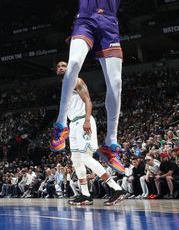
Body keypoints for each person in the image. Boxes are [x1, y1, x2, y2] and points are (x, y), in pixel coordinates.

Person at [51, 0, 127, 175]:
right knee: (72, 66)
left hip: (109, 25)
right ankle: (60, 124)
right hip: (84, 21)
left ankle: (111, 142)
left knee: (116, 84)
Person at [54, 60, 127, 207]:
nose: (61, 68)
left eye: (64, 66)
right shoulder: (65, 86)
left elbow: (88, 101)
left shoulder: (76, 80)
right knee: (76, 161)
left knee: (86, 158)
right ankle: (86, 195)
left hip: (83, 121)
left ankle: (118, 189)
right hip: (73, 124)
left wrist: (87, 120)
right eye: (59, 67)